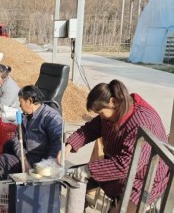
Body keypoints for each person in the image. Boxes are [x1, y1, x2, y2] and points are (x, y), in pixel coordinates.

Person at [58, 79, 169, 213]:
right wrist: (69, 145)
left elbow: (126, 165)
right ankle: (79, 203)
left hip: (144, 179)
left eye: (100, 112)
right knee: (72, 176)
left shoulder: (142, 122)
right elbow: (90, 129)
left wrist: (87, 170)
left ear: (113, 101)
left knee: (118, 209)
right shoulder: (114, 112)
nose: (100, 116)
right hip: (119, 167)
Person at [0, 85, 63, 178]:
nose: (20, 106)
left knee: (4, 159)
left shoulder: (50, 116)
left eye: (21, 102)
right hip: (27, 154)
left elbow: (58, 142)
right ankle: (15, 177)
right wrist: (23, 160)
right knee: (8, 145)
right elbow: (16, 138)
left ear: (29, 101)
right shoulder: (25, 116)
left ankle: (11, 187)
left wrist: (46, 167)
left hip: (42, 160)